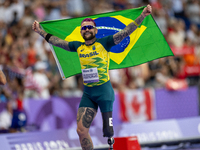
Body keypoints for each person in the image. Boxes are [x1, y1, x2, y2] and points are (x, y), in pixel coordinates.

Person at [32, 4, 152, 150]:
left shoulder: (105, 42)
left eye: (89, 27)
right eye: (84, 28)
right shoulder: (78, 46)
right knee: (81, 131)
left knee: (108, 132)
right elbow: (57, 42)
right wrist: (40, 31)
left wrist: (142, 16)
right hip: (88, 93)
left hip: (104, 92)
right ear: (81, 32)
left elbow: (126, 32)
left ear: (95, 30)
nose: (87, 29)